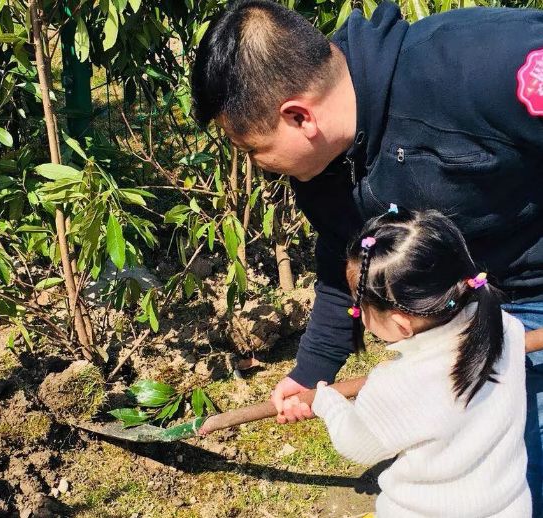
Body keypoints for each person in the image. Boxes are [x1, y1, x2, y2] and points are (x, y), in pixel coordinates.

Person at [191, 0, 543, 511]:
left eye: (252, 150)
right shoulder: (323, 177)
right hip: (462, 310)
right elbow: (345, 267)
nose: (259, 166)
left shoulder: (481, 64)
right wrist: (311, 371)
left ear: (298, 116)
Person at [312, 208, 530, 517]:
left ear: (401, 324)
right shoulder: (506, 327)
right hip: (509, 506)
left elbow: (357, 443)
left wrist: (327, 403)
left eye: (359, 305)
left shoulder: (396, 384)